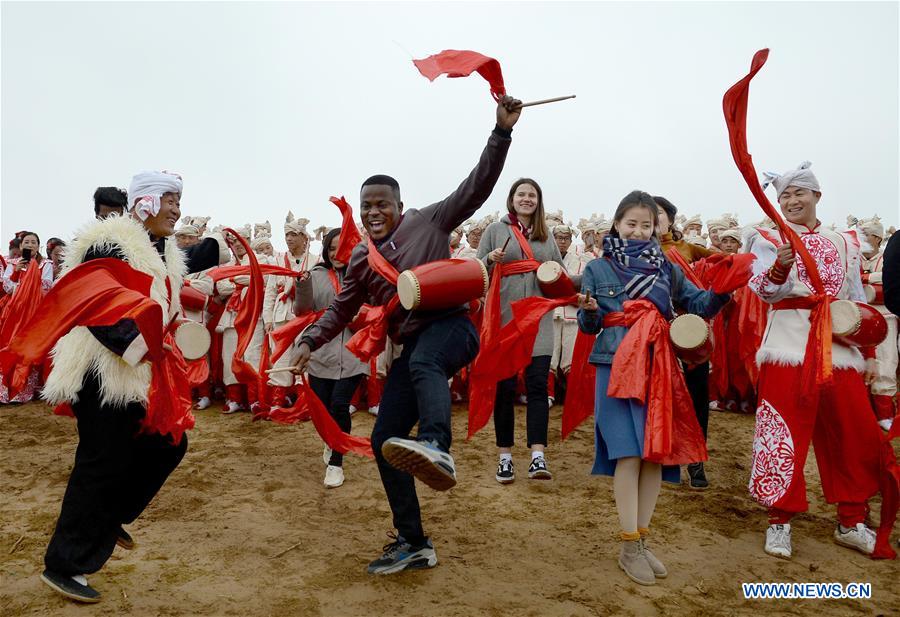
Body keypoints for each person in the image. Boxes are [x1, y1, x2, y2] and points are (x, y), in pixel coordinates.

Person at [293, 94, 522, 574]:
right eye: (366, 206)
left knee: (424, 363)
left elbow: (476, 186)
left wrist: (500, 132)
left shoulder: (429, 221)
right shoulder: (358, 259)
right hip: (413, 346)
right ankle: (414, 541)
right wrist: (308, 341)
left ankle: (438, 445)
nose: (374, 212)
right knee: (383, 439)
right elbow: (341, 306)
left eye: (383, 204)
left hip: (453, 329)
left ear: (399, 205)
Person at [38, 170, 219, 602]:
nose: (177, 208)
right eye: (170, 199)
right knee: (101, 463)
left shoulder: (166, 255)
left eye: (180, 199)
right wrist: (135, 344)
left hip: (138, 374)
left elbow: (160, 312)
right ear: (145, 203)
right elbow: (92, 302)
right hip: (101, 370)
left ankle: (109, 517)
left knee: (169, 445)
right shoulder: (111, 242)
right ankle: (64, 564)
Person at [577, 190, 729, 586]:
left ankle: (642, 540)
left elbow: (699, 305)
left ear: (657, 227)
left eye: (647, 225)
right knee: (628, 454)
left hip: (658, 365)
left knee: (653, 456)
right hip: (614, 365)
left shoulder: (668, 267)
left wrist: (729, 283)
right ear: (617, 224)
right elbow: (589, 326)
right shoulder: (598, 268)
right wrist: (589, 312)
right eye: (632, 224)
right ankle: (629, 544)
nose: (639, 231)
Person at [747, 162, 888, 560]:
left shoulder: (845, 241)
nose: (791, 201)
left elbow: (857, 297)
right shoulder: (767, 237)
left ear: (816, 196)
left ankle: (851, 518)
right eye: (785, 196)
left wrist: (870, 353)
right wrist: (780, 265)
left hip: (838, 348)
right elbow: (763, 291)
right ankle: (779, 521)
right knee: (782, 431)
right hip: (787, 346)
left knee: (851, 431)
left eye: (799, 193)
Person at [478, 178, 570, 483]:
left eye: (532, 195)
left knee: (537, 388)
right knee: (504, 390)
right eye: (522, 194)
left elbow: (559, 274)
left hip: (539, 319)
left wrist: (584, 288)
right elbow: (476, 272)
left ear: (538, 201)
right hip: (505, 320)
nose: (527, 199)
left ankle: (537, 455)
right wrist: (490, 260)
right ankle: (504, 456)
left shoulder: (546, 236)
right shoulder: (495, 230)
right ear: (512, 199)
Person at [294, 228, 369, 488]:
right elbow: (302, 310)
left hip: (353, 350)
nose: (337, 254)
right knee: (324, 410)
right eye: (332, 248)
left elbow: (375, 307)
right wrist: (302, 286)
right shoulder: (315, 274)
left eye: (342, 247)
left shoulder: (362, 275)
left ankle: (337, 462)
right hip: (320, 351)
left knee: (340, 405)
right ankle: (330, 440)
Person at [655, 196, 716, 489]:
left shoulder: (686, 248)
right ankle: (662, 454)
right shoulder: (634, 252)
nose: (653, 220)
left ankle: (695, 459)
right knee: (660, 396)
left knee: (696, 396)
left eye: (659, 215)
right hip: (654, 332)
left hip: (689, 331)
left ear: (670, 219)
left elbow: (720, 260)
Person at [263, 213, 318, 411]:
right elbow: (270, 292)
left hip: (305, 315)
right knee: (280, 355)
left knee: (305, 355)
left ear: (304, 238)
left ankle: (304, 400)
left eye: (294, 234)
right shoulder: (277, 260)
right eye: (287, 235)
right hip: (281, 314)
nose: (289, 239)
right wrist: (267, 318)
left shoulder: (315, 260)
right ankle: (278, 399)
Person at [856, 216, 897, 430]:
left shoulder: (886, 258)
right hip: (859, 318)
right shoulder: (855, 258)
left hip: (885, 317)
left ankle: (884, 414)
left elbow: (891, 276)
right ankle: (863, 412)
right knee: (858, 364)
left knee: (885, 363)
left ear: (878, 238)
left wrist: (865, 279)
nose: (861, 237)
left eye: (866, 234)